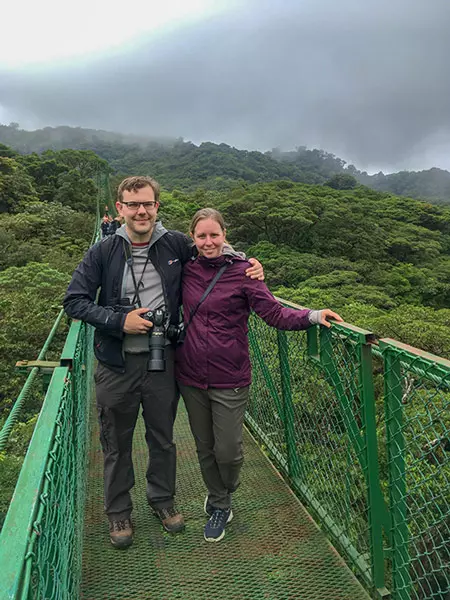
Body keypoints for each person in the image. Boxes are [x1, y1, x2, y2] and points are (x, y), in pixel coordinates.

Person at [63, 177, 263, 549]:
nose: (141, 211)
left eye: (148, 204)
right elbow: (74, 301)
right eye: (133, 204)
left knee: (163, 438)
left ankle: (162, 500)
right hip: (115, 362)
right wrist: (118, 321)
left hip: (163, 360)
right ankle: (119, 512)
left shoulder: (174, 244)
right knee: (116, 442)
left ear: (157, 207)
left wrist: (248, 264)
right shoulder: (102, 251)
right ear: (119, 208)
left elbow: (213, 247)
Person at [176, 208, 343, 543]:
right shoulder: (184, 269)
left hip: (231, 377)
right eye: (201, 236)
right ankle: (221, 504)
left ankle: (226, 487)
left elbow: (273, 313)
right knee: (204, 446)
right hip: (190, 375)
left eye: (214, 235)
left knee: (229, 451)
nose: (208, 242)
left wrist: (311, 315)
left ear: (225, 235)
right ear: (192, 238)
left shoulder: (244, 273)